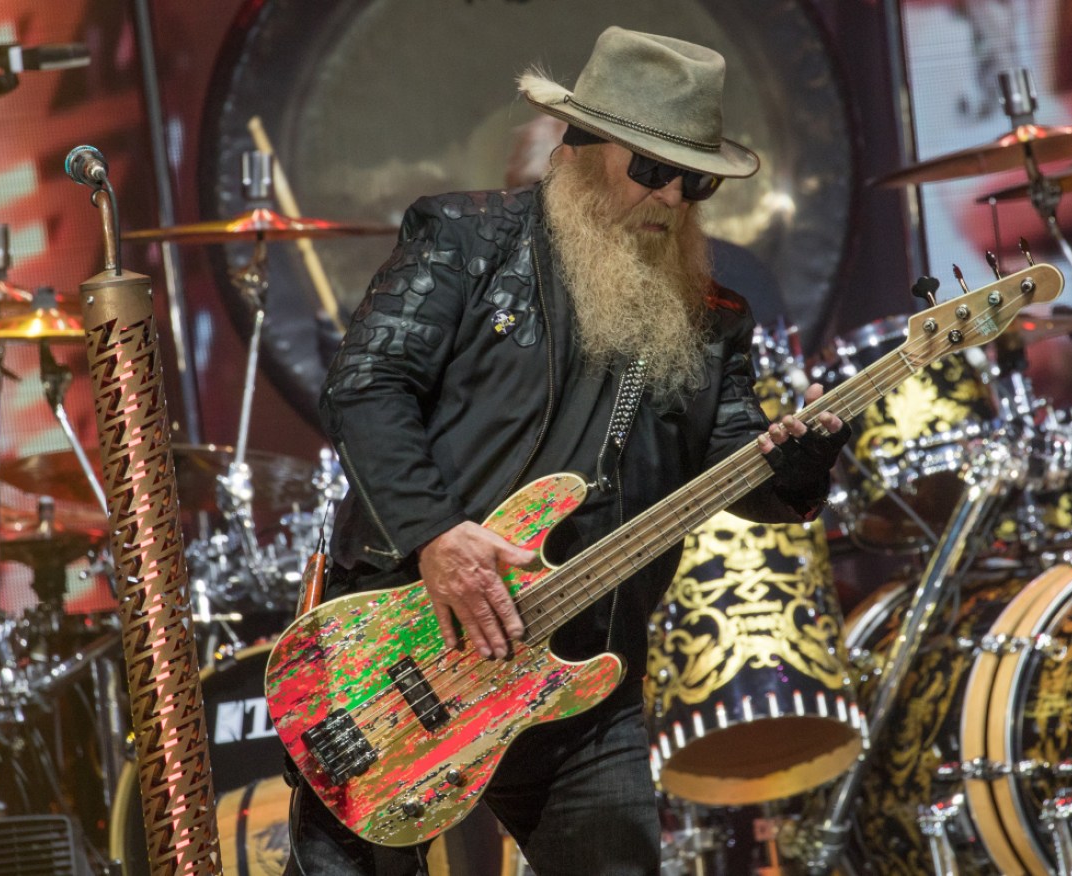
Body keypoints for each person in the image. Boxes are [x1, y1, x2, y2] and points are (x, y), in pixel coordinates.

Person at [288, 26, 848, 876]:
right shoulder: (464, 241)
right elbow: (365, 388)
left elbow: (742, 471)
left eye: (693, 181)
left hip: (582, 678)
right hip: (406, 651)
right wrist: (436, 536)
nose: (669, 199)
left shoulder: (714, 317)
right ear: (581, 149)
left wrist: (802, 465)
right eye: (650, 170)